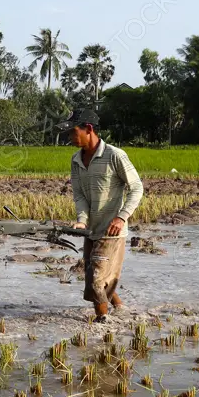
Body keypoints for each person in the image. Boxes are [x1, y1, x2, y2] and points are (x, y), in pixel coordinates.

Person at [56, 108, 144, 323]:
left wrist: (121, 217)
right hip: (91, 230)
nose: (69, 137)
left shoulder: (114, 155)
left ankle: (102, 324)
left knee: (96, 280)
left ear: (89, 129)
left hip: (112, 231)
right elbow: (79, 196)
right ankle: (121, 310)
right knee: (94, 275)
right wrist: (81, 221)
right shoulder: (76, 160)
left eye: (72, 132)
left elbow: (137, 188)